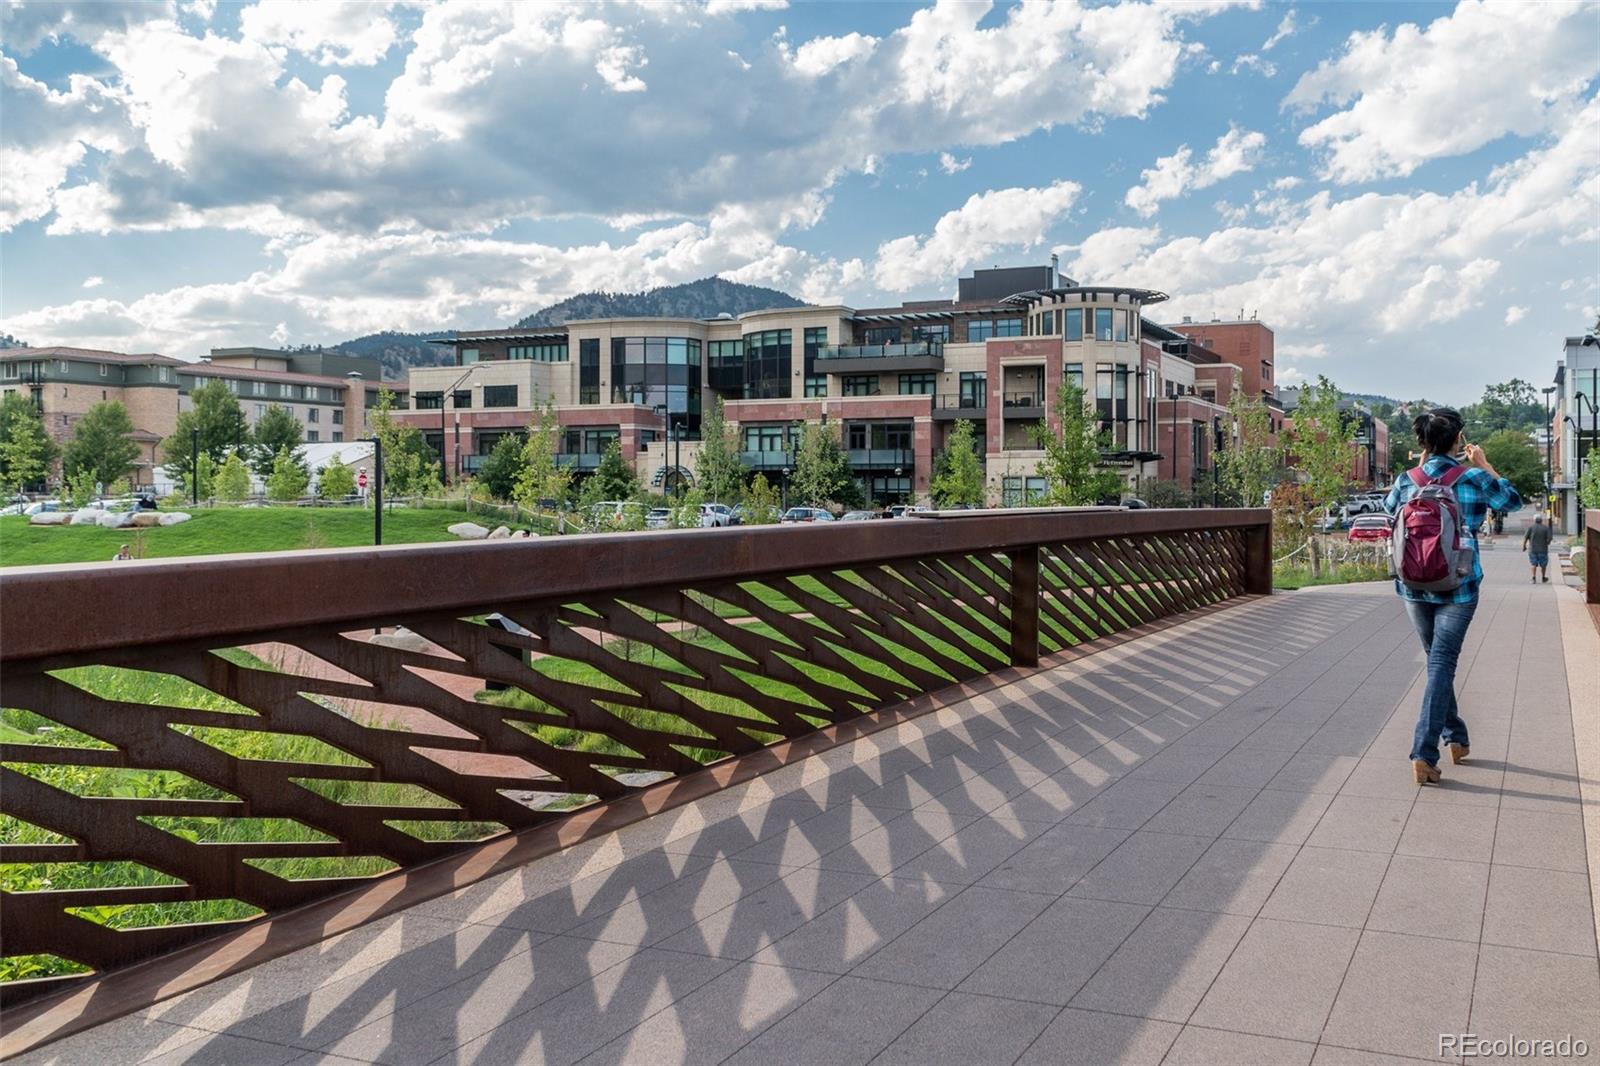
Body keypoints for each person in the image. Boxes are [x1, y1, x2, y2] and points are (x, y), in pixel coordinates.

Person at [1384, 408, 1521, 785]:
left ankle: (1456, 736)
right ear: (1458, 440)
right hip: (1458, 585)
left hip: (1413, 585)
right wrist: (1487, 464)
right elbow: (1512, 502)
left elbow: (1388, 511)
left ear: (1423, 443)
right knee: (1441, 664)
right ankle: (1424, 753)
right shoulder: (1472, 475)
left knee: (1436, 663)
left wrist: (1421, 472)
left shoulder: (1407, 479)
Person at [1523, 514, 1553, 583]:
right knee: (1543, 565)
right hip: (1543, 549)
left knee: (1533, 564)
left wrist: (1524, 546)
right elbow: (1549, 538)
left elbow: (1526, 538)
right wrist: (1547, 543)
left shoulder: (1531, 527)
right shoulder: (1545, 528)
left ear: (1534, 520)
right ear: (1541, 520)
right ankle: (1543, 577)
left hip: (1533, 549)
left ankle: (1533, 578)